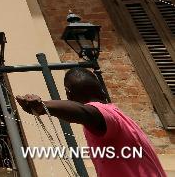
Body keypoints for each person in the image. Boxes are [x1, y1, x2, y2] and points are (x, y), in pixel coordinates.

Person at [16, 68, 165, 176]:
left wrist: (44, 107)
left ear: (69, 94)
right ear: (101, 90)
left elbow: (86, 112)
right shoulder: (119, 116)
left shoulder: (105, 114)